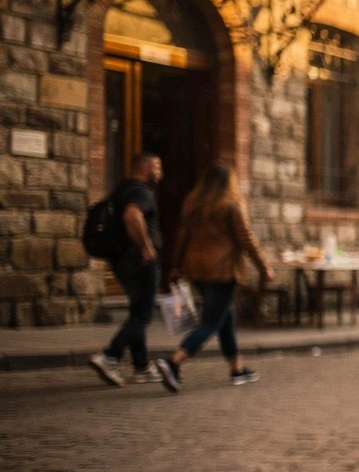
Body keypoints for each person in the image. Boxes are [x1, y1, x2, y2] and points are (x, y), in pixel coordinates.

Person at [156, 165, 274, 392]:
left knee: (225, 317)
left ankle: (237, 370)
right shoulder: (231, 204)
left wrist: (176, 266)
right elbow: (246, 238)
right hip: (223, 269)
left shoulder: (193, 204)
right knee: (211, 322)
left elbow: (183, 235)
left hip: (197, 268)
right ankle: (173, 363)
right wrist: (263, 266)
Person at [88, 153, 165, 387]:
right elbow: (133, 216)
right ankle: (110, 356)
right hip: (139, 259)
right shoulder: (140, 191)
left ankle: (142, 367)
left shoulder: (120, 190)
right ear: (143, 169)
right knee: (143, 315)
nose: (161, 172)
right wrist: (146, 246)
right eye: (157, 166)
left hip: (121, 261)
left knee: (137, 311)